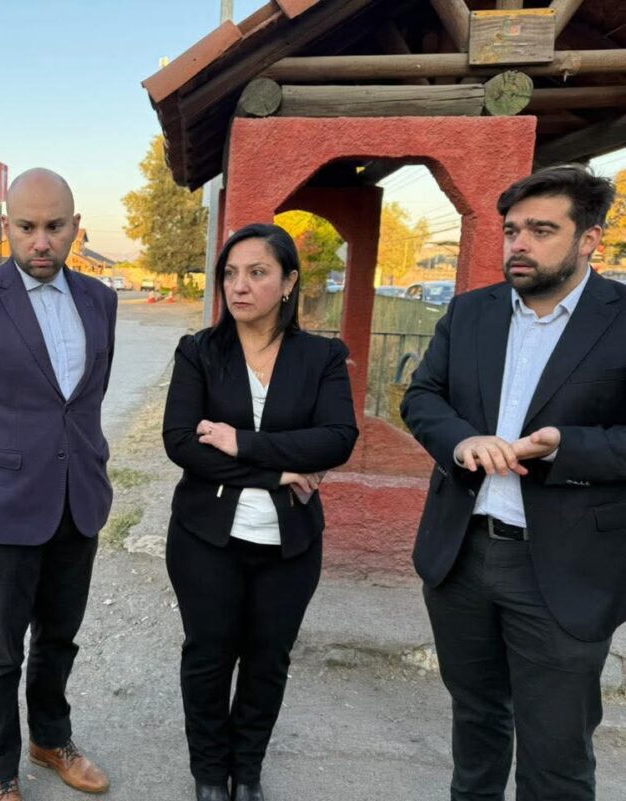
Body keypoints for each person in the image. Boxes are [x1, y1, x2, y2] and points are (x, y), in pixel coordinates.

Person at [401, 164, 626, 801]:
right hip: (463, 555)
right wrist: (460, 440)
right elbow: (424, 397)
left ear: (590, 240)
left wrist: (569, 448)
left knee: (556, 752)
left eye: (541, 230)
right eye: (511, 230)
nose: (518, 244)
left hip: (563, 568)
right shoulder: (470, 314)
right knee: (476, 728)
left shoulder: (621, 318)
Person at [0, 169, 116, 801]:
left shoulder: (101, 301)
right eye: (28, 227)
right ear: (6, 226)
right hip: (5, 507)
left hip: (80, 499)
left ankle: (50, 737)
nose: (42, 241)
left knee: (60, 635)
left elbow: (85, 402)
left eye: (55, 227)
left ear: (74, 227)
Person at [162, 223, 358, 801]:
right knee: (208, 656)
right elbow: (181, 443)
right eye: (230, 273)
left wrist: (240, 443)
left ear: (289, 281)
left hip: (290, 544)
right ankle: (209, 777)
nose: (238, 286)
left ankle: (246, 773)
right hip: (205, 539)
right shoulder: (199, 351)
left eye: (257, 272)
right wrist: (277, 471)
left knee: (268, 660)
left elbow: (337, 440)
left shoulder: (321, 355)